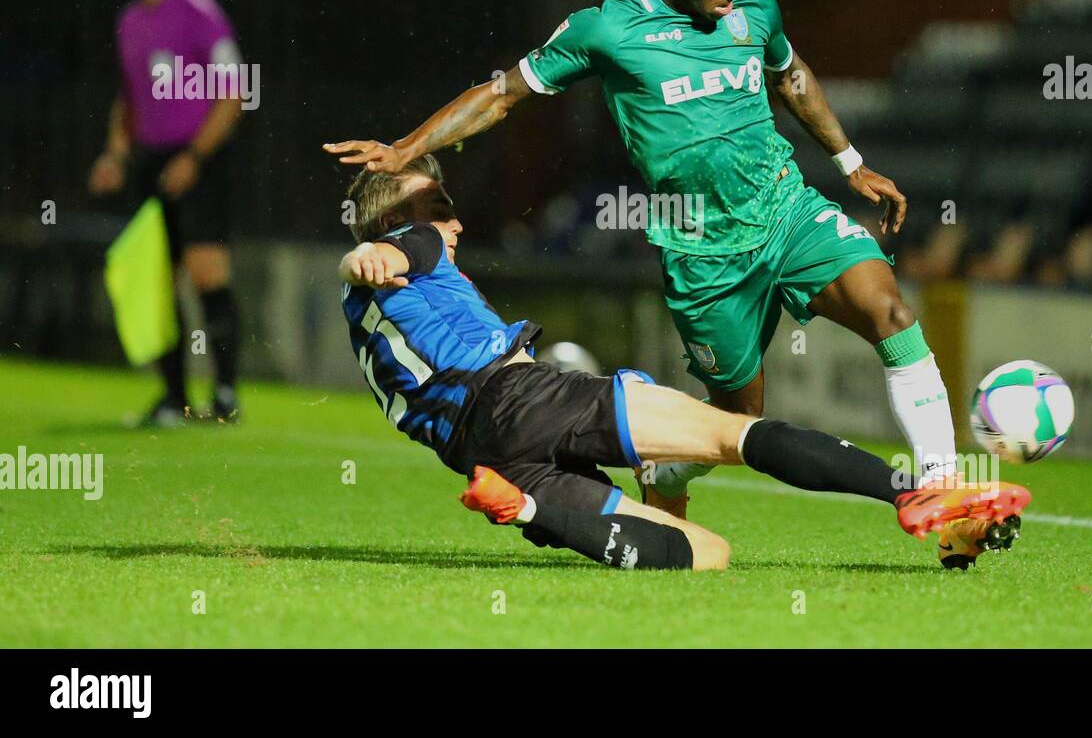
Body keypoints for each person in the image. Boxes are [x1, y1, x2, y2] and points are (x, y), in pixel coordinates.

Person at [324, 0, 962, 520]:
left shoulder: (756, 10)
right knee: (738, 423)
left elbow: (789, 75)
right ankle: (667, 468)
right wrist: (409, 147)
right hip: (703, 253)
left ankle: (945, 490)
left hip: (786, 210)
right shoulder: (607, 30)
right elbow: (502, 94)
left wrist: (849, 162)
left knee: (892, 316)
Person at [336, 154, 1031, 570]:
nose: (450, 220)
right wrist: (372, 251)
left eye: (446, 206)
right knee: (736, 432)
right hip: (523, 396)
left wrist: (363, 260)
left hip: (485, 458)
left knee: (706, 554)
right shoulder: (409, 244)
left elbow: (369, 266)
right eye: (437, 206)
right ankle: (914, 491)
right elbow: (389, 253)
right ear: (392, 224)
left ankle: (524, 512)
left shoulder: (357, 313)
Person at [87, 0, 246, 426]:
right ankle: (173, 399)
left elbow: (231, 95)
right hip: (150, 162)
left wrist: (195, 157)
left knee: (206, 272)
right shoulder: (129, 20)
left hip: (199, 157)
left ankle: (224, 395)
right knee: (155, 280)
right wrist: (115, 152)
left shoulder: (200, 13)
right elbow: (128, 99)